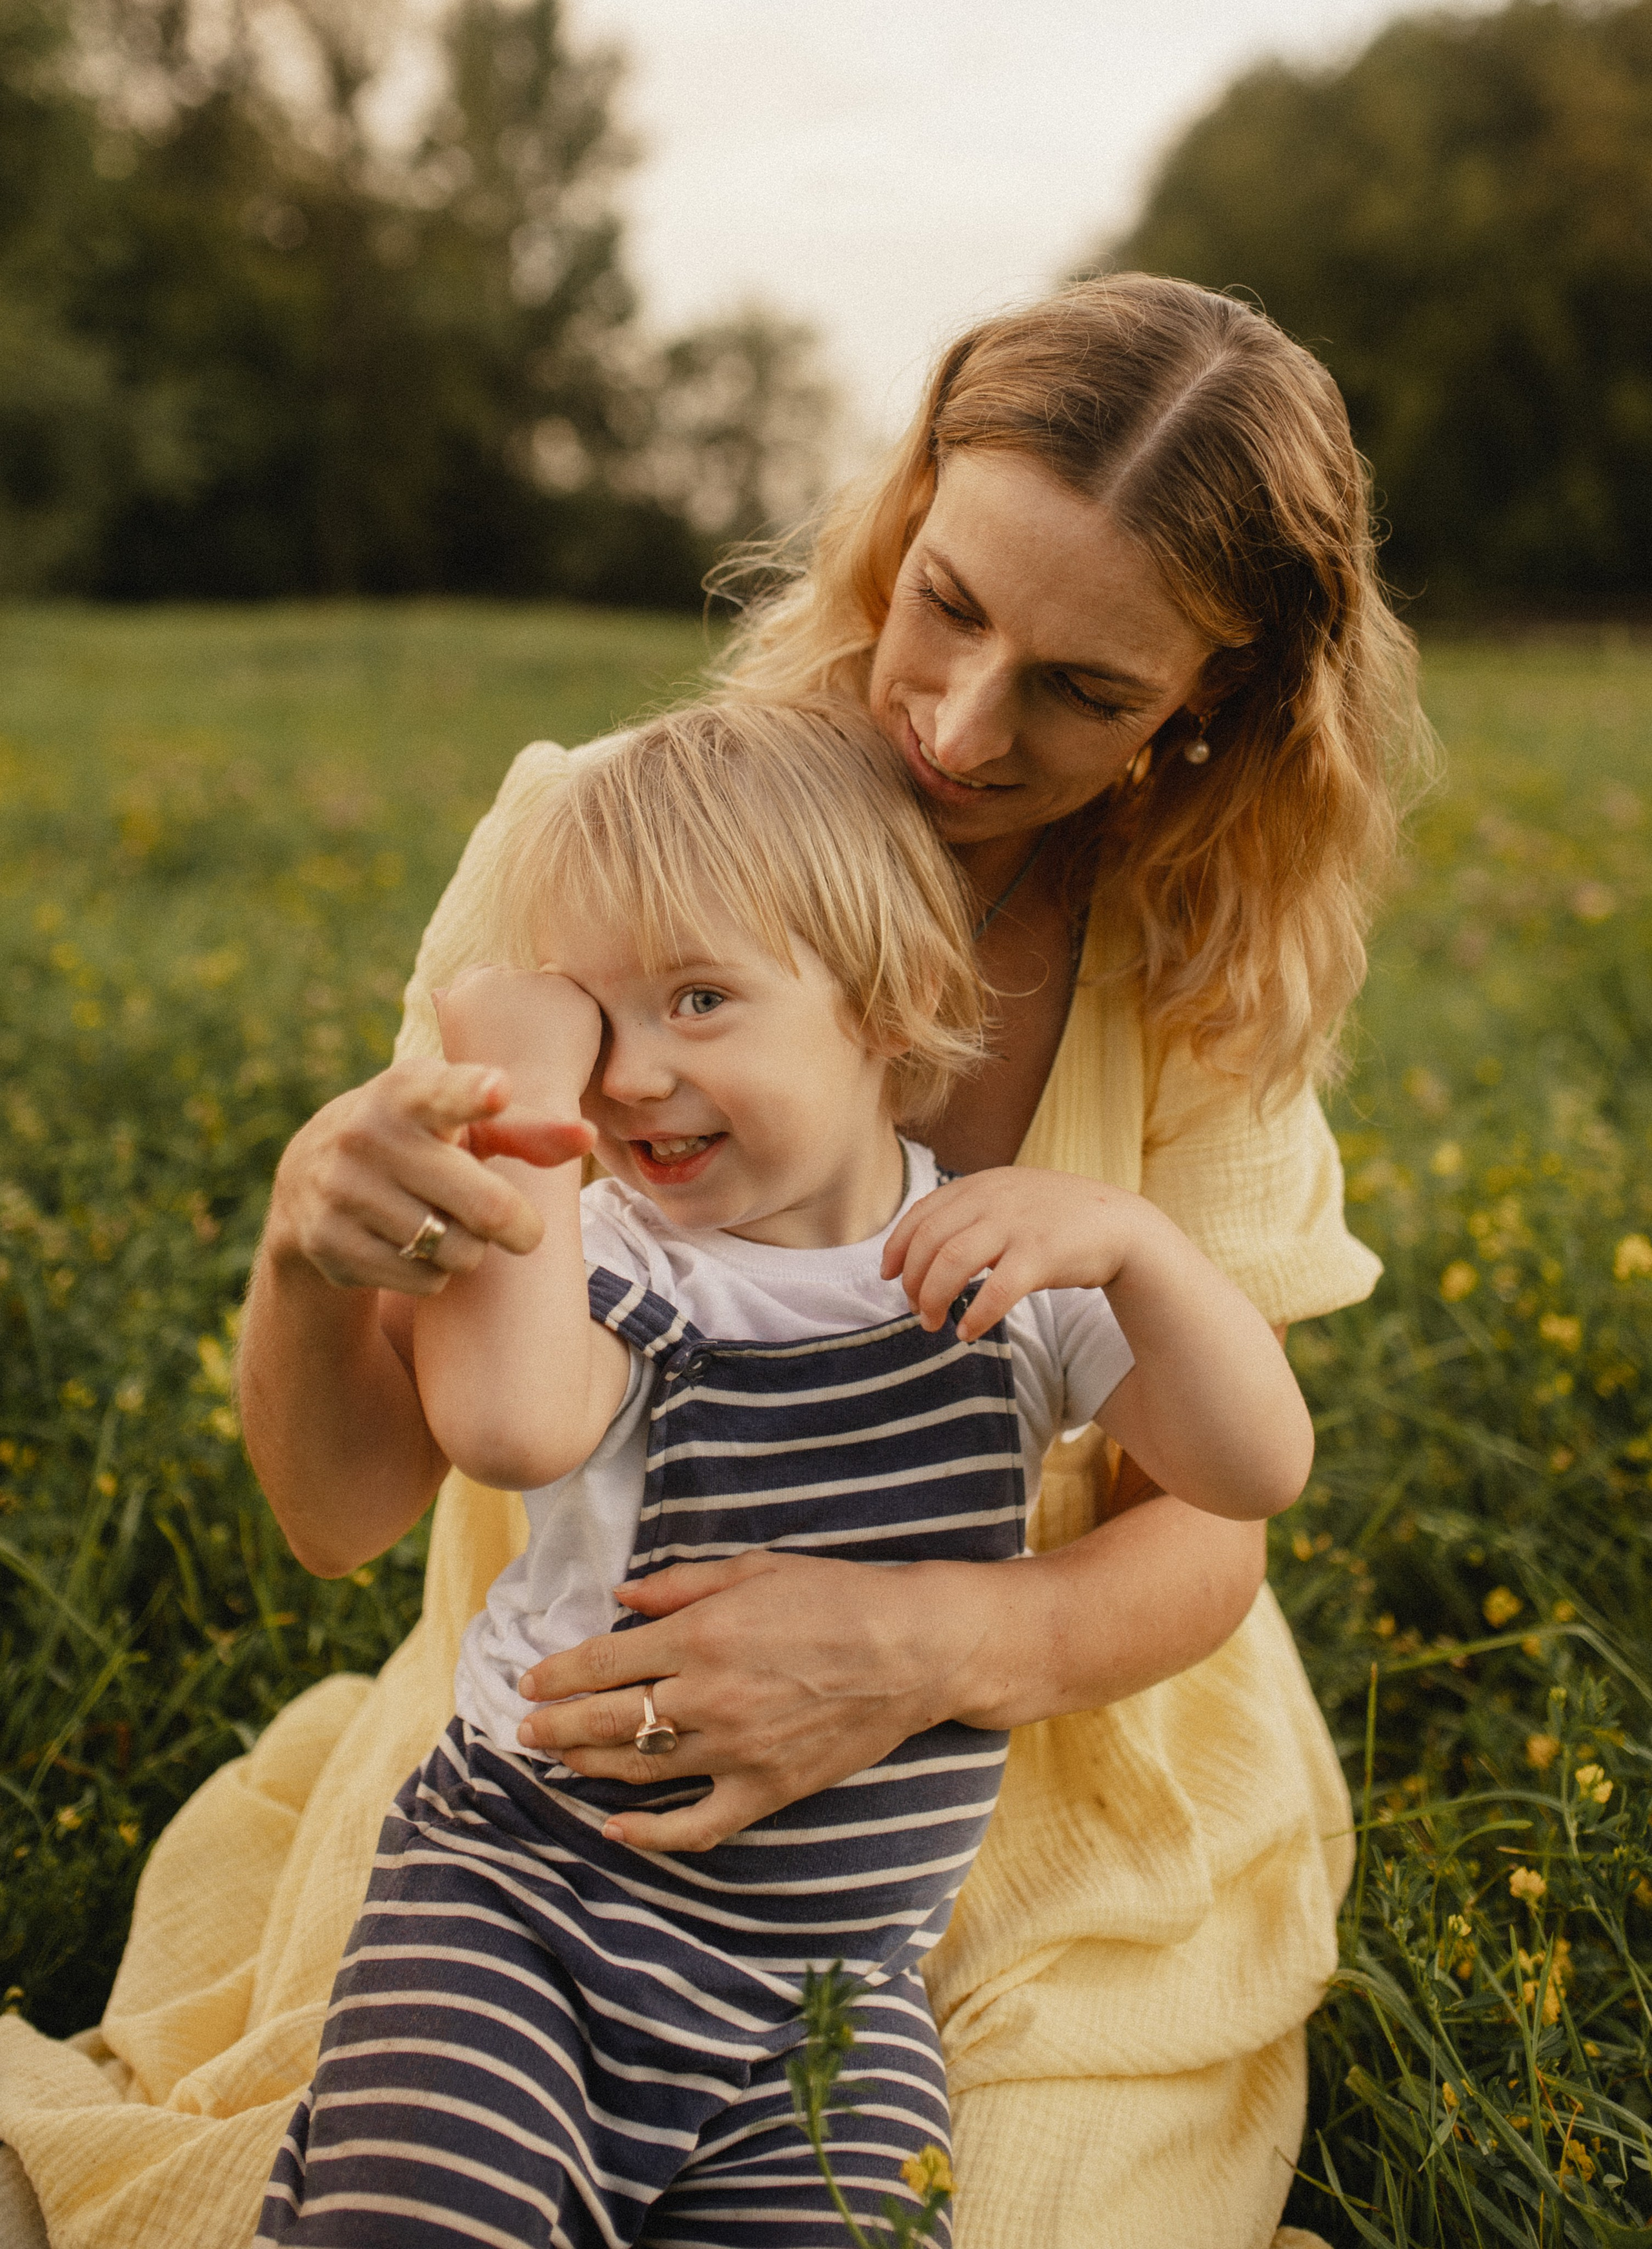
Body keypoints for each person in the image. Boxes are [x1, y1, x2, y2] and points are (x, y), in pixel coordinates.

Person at [0, 274, 1423, 2249]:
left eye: (1089, 690)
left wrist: (909, 1650)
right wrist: (310, 1254)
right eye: (948, 600)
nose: (958, 718)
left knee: (998, 2209)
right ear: (903, 512)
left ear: (1218, 704)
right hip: (588, 1739)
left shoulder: (1203, 969)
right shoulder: (613, 836)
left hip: (1036, 1735)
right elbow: (348, 1506)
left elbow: (1223, 1509)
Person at [255, 702, 1315, 2246]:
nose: (628, 1077)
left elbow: (1249, 1468)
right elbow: (506, 1425)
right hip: (530, 1907)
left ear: (886, 1007)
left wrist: (1145, 1254)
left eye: (697, 999)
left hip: (830, 1990)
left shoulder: (996, 1257)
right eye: (590, 1018)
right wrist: (518, 1104)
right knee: (418, 2217)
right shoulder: (610, 1258)